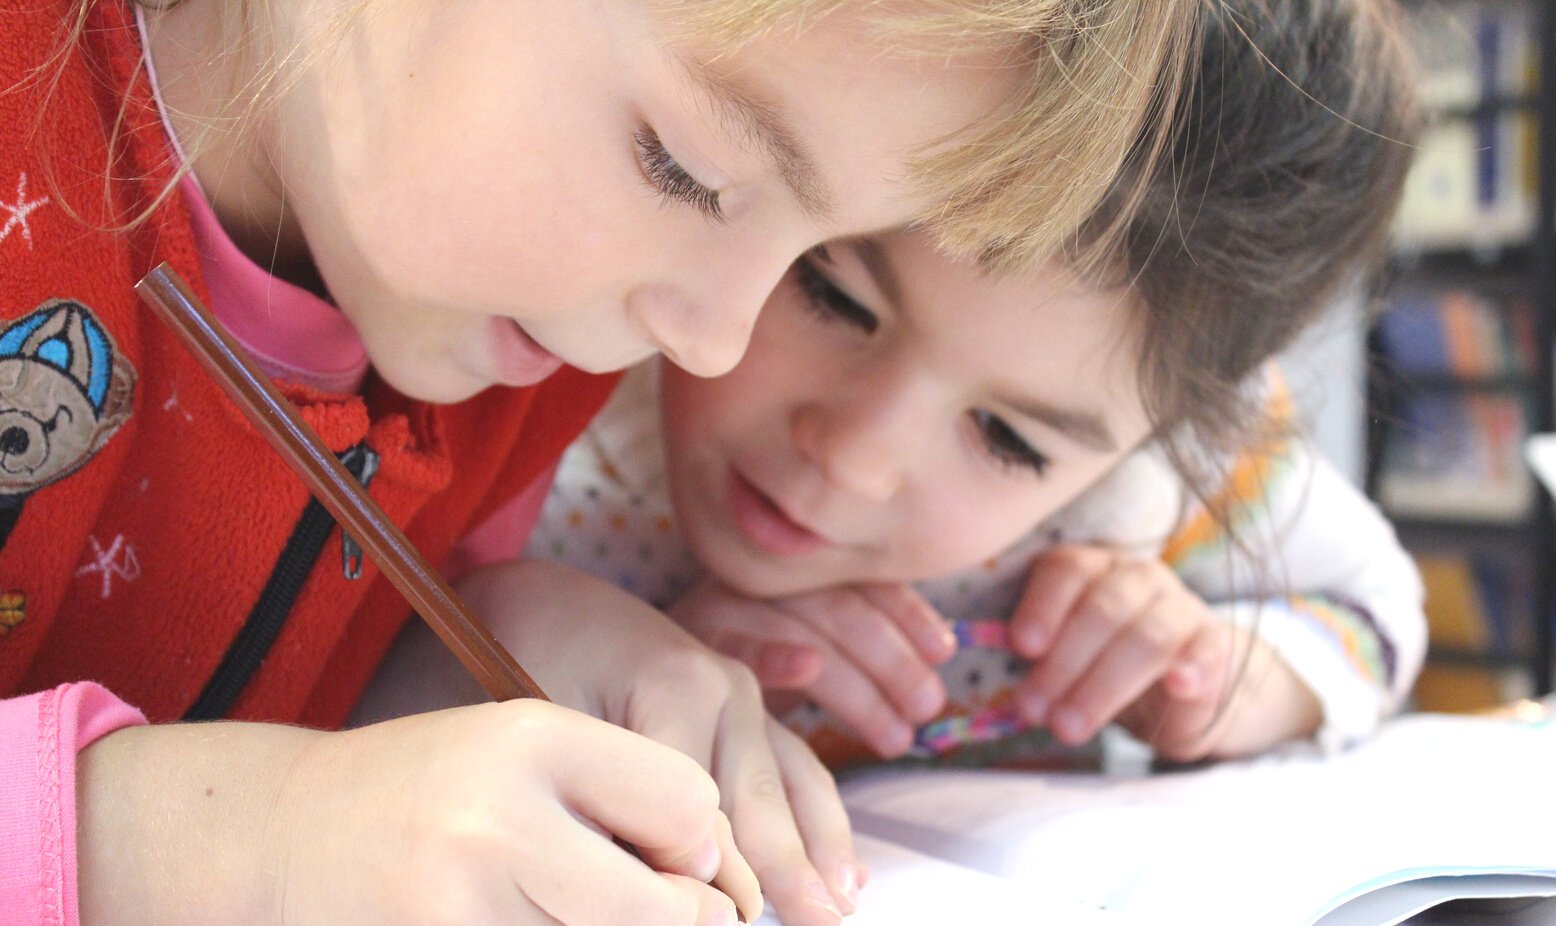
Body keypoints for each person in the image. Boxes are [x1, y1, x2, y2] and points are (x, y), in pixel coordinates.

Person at [0, 0, 1201, 926]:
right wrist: (263, 844)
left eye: (813, 251)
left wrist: (482, 647)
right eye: (690, 169)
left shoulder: (516, 346)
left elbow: (247, 678)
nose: (717, 337)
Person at [519, 0, 1427, 779]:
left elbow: (1377, 607)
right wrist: (596, 662)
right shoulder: (548, 370)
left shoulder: (1163, 490)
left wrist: (1233, 678)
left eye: (1008, 439)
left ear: (1164, 436)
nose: (855, 457)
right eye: (832, 296)